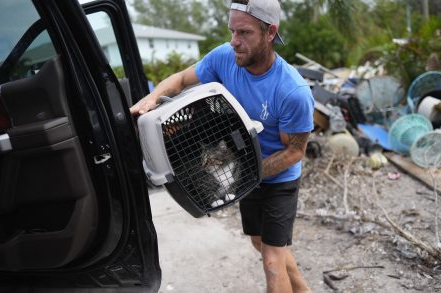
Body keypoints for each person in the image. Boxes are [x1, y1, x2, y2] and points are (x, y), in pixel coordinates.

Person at [130, 0, 314, 292]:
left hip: (279, 179)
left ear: (270, 33)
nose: (235, 42)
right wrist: (152, 99)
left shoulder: (293, 91)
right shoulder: (224, 58)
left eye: (244, 33)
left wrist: (252, 173)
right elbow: (180, 80)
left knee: (271, 260)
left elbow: (295, 151)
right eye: (232, 31)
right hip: (247, 172)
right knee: (261, 242)